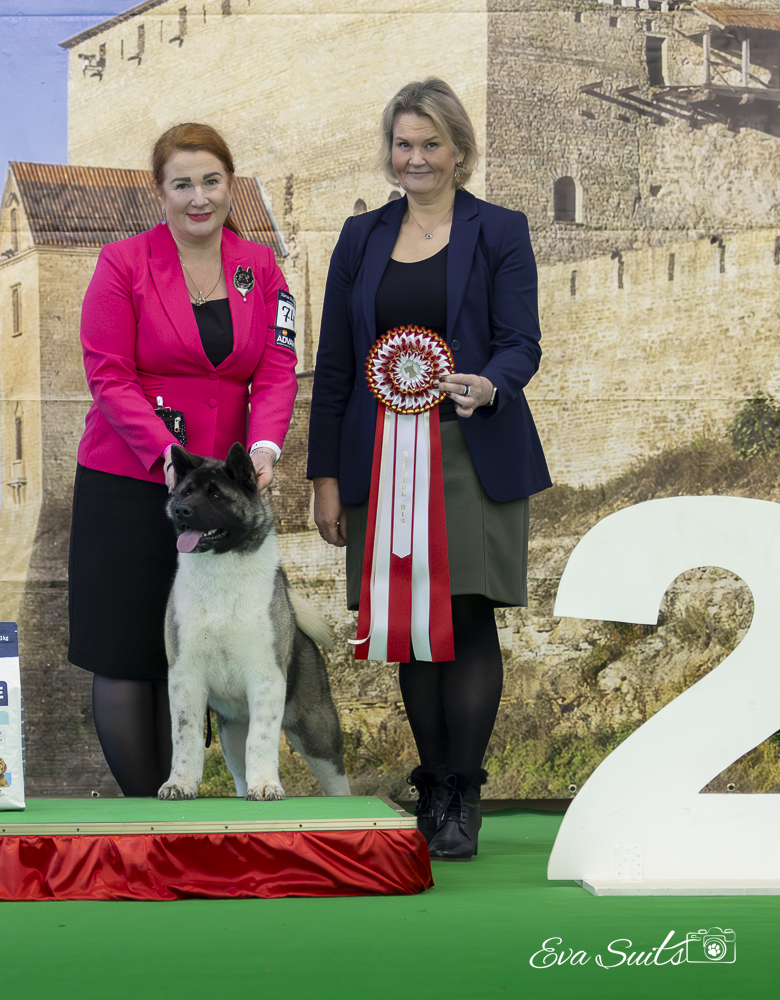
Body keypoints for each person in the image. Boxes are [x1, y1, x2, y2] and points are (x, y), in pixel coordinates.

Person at [307, 79, 551, 860]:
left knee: (467, 619)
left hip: (470, 451)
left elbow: (521, 341)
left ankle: (463, 795)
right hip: (379, 458)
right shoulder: (360, 238)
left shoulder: (500, 230)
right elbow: (335, 364)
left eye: (430, 144)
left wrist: (491, 384)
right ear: (389, 151)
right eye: (403, 143)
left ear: (459, 150)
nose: (415, 158)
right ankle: (434, 785)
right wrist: (324, 478)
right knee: (409, 629)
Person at [68, 123, 299, 797]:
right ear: (160, 192)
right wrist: (166, 455)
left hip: (220, 496)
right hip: (128, 478)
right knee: (128, 652)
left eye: (212, 182)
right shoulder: (121, 264)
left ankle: (187, 817)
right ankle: (149, 816)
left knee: (197, 655)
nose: (199, 198)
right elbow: (109, 375)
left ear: (230, 185)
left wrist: (264, 446)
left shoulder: (263, 268)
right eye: (183, 184)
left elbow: (278, 368)